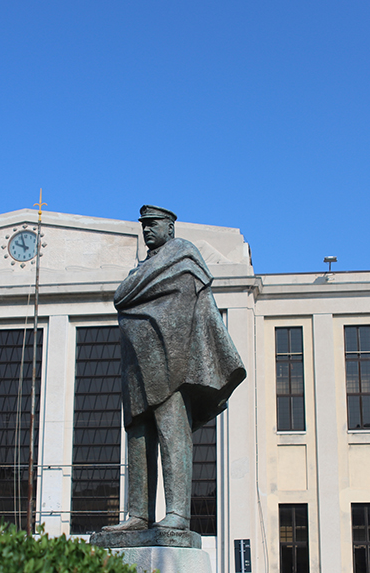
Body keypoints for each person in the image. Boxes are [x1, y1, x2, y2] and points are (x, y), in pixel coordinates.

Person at [104, 205, 246, 532]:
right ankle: (138, 514)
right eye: (143, 225)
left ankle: (178, 514)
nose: (146, 229)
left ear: (170, 227)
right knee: (138, 436)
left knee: (172, 435)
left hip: (172, 363)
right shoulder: (142, 269)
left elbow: (186, 308)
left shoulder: (181, 257)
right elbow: (121, 297)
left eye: (153, 224)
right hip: (137, 365)